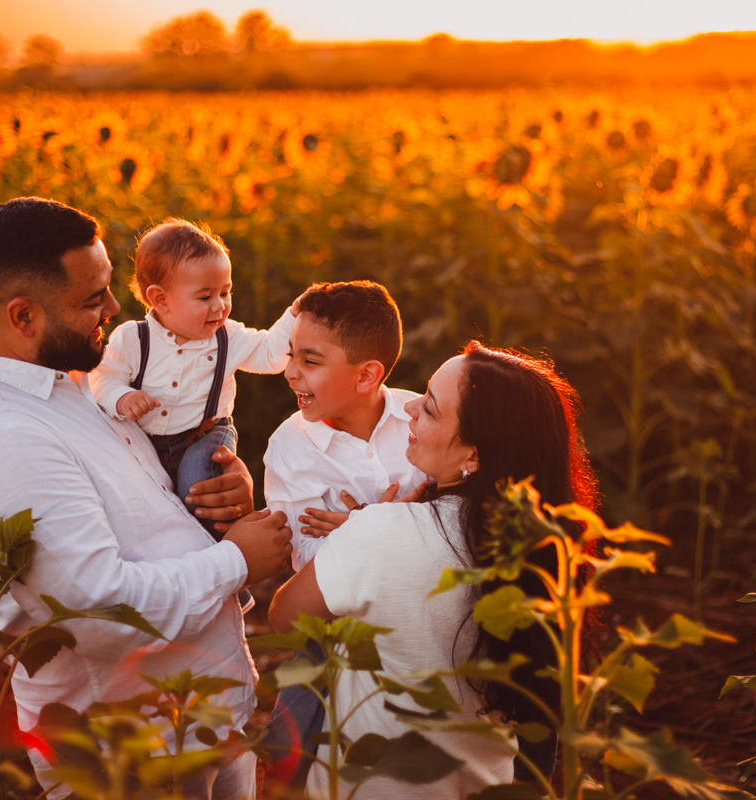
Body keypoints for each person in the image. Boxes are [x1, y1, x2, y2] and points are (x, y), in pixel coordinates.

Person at [0, 197, 293, 800]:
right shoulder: (6, 439)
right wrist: (237, 560)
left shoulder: (75, 375)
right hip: (131, 753)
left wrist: (222, 492)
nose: (114, 307)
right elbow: (96, 613)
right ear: (23, 315)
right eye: (91, 298)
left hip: (193, 722)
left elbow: (147, 501)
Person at [268, 341, 599, 799]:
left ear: (475, 456)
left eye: (431, 410)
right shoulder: (546, 552)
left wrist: (357, 531)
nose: (409, 412)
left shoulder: (381, 532)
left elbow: (285, 616)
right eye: (422, 395)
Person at [259, 280, 428, 788]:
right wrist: (391, 521)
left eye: (310, 360)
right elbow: (308, 558)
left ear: (367, 375)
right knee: (290, 742)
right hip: (339, 623)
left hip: (427, 609)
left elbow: (455, 510)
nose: (290, 371)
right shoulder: (291, 448)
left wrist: (365, 526)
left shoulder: (422, 418)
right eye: (291, 355)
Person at [90, 219, 298, 537]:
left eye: (225, 292)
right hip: (146, 442)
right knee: (138, 504)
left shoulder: (228, 337)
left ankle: (222, 555)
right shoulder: (134, 338)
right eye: (205, 297)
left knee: (198, 490)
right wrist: (122, 396)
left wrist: (293, 316)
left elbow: (271, 355)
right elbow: (102, 377)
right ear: (160, 299)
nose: (220, 306)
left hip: (204, 436)